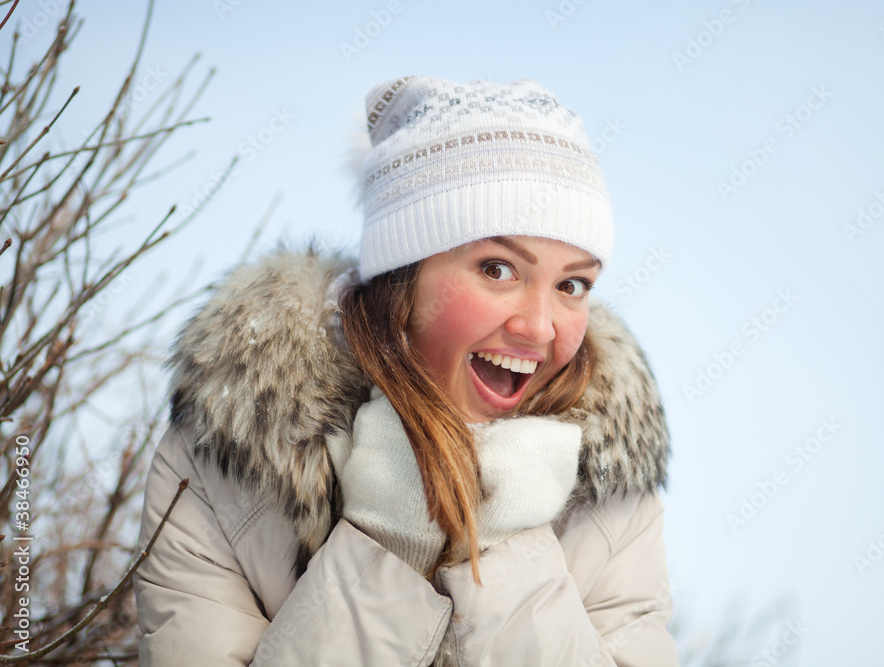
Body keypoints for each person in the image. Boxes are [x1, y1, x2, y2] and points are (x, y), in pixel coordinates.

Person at [133, 75, 680, 666]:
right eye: (497, 269)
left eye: (572, 284)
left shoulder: (614, 496)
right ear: (403, 278)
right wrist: (389, 548)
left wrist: (507, 545)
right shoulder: (223, 457)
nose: (541, 327)